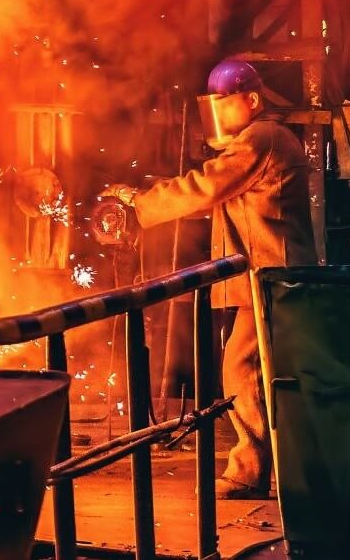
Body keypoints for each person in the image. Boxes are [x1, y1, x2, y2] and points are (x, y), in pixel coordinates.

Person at [104, 59, 318, 499]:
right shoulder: (257, 144)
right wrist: (149, 191)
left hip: (273, 275)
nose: (218, 117)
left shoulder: (262, 138)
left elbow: (206, 187)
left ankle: (251, 470)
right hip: (271, 275)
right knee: (268, 373)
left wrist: (141, 204)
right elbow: (213, 194)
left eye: (225, 104)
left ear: (252, 101)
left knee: (242, 368)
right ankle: (293, 469)